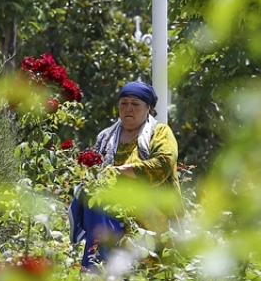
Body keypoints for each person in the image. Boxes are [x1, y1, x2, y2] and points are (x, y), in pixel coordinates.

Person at [69, 81, 181, 269]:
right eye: (124, 103)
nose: (128, 108)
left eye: (135, 104)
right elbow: (91, 169)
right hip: (113, 223)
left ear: (149, 109)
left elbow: (163, 163)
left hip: (152, 225)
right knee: (110, 277)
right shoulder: (106, 137)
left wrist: (120, 171)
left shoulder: (159, 133)